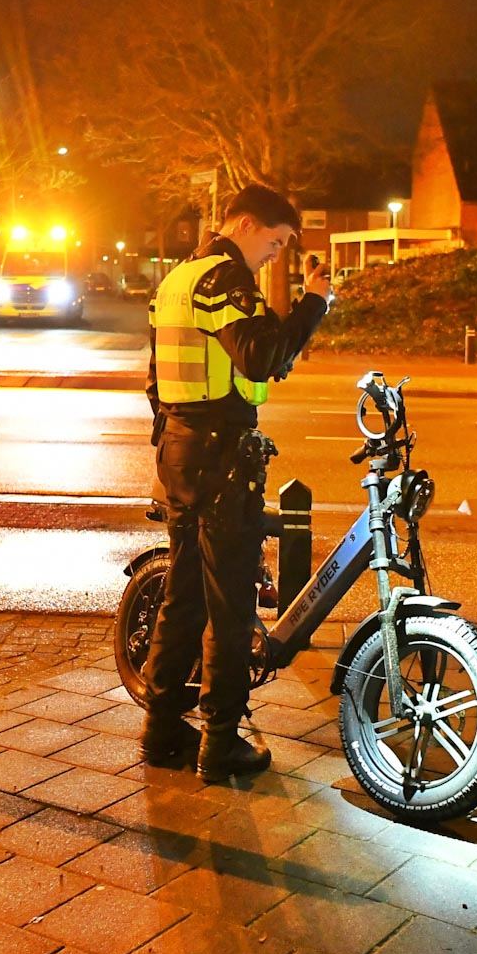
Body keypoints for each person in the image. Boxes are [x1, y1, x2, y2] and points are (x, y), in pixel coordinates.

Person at [141, 183, 333, 782]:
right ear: (246, 224)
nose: (275, 254)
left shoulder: (177, 279)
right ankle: (219, 743)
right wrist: (313, 306)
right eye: (274, 242)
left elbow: (154, 377)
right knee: (230, 605)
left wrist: (174, 436)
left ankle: (162, 728)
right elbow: (259, 357)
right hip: (221, 457)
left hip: (179, 449)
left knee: (184, 595)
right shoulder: (225, 280)